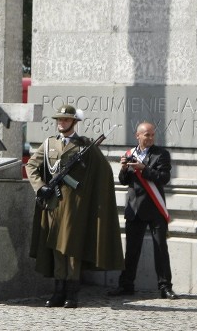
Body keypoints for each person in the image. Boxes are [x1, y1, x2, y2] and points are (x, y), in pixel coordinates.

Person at [25, 104, 123, 308]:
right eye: (59, 120)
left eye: (66, 120)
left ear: (74, 122)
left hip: (74, 205)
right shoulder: (49, 144)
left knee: (71, 248)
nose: (62, 123)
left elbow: (104, 172)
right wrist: (40, 187)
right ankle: (58, 292)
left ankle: (72, 293)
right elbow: (31, 165)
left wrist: (89, 194)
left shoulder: (84, 146)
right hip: (52, 203)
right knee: (55, 248)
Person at [108, 122, 177, 299]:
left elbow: (164, 178)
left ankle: (165, 287)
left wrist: (144, 169)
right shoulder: (130, 153)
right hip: (135, 208)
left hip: (155, 209)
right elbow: (124, 181)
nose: (150, 138)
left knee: (161, 248)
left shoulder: (161, 154)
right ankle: (126, 285)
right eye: (147, 135)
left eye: (152, 135)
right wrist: (124, 168)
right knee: (131, 251)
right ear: (137, 135)